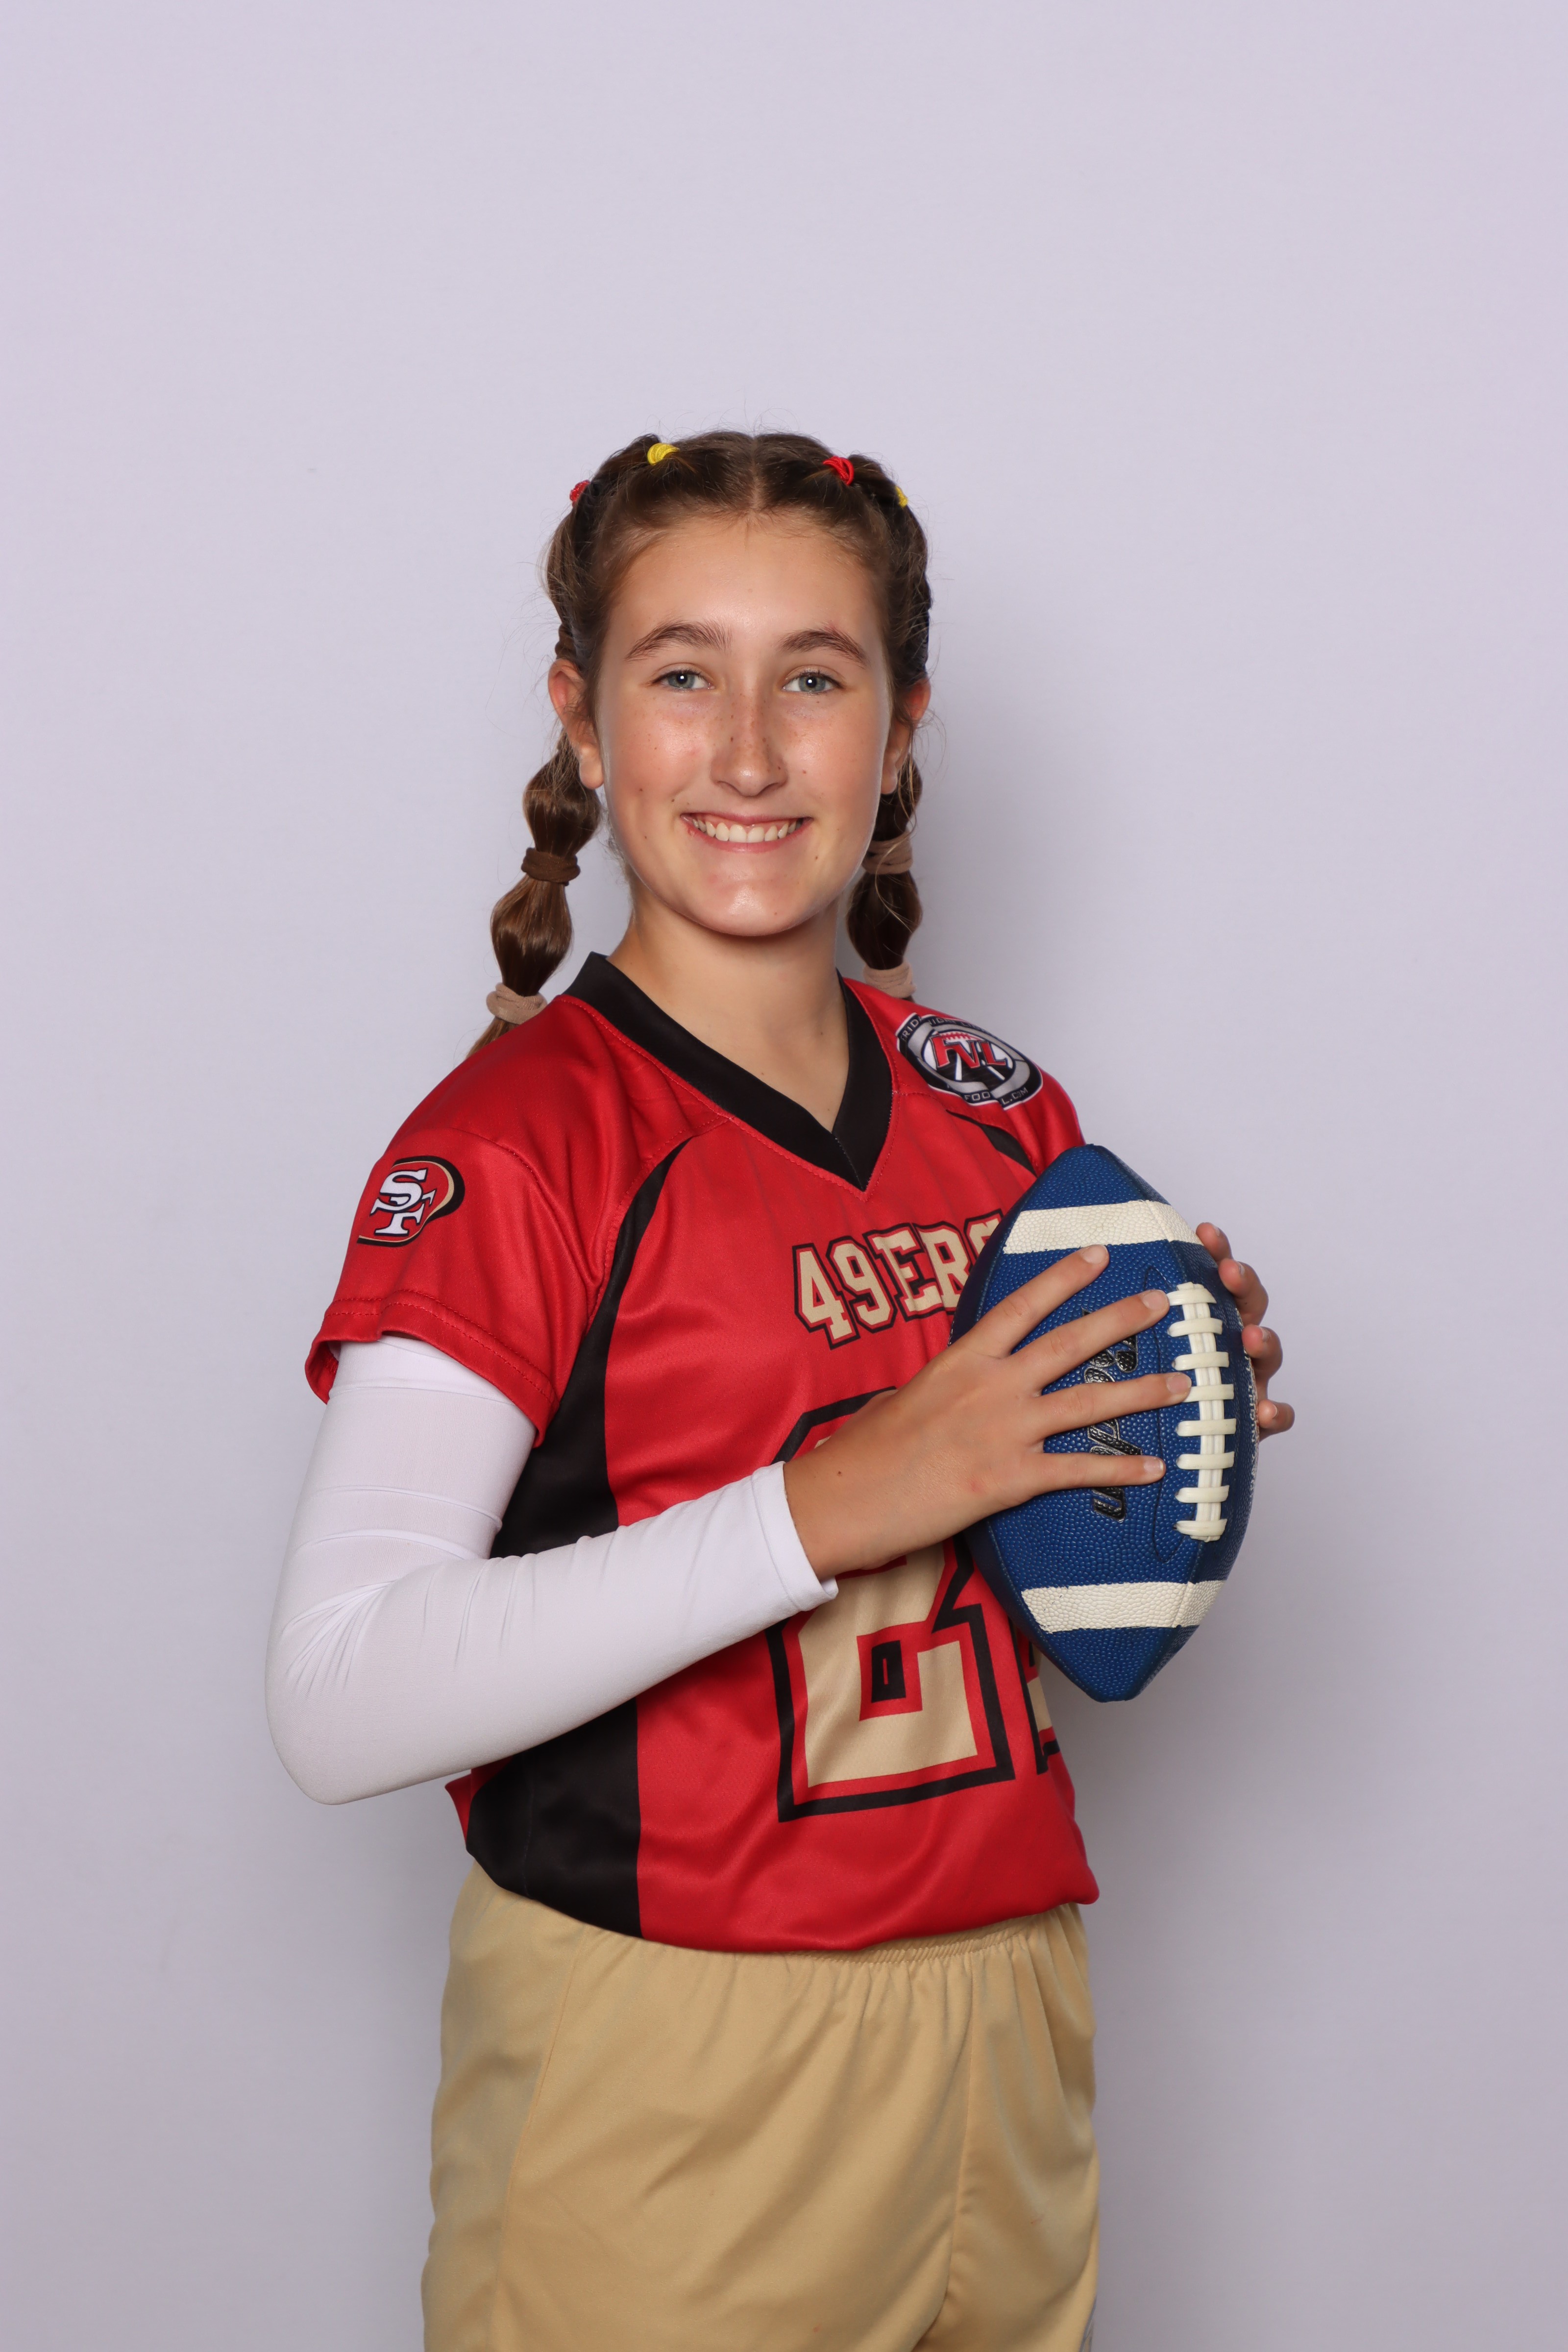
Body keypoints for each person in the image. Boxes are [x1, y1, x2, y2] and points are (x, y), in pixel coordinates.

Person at [267, 429, 1292, 2352]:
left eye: (813, 678)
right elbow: (338, 1694)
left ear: (900, 732)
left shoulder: (1003, 1116)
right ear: (582, 723)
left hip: (1007, 2006)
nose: (746, 751)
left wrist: (1156, 1417)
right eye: (683, 674)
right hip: (673, 2045)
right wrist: (839, 1497)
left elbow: (1056, 1591)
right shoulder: (521, 1147)